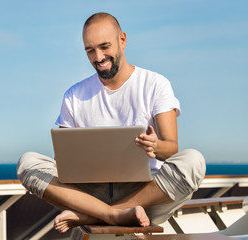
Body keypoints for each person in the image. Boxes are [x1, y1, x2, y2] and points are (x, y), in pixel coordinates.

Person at [17, 12, 206, 233]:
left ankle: (92, 215)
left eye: (104, 46)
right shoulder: (73, 95)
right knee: (27, 163)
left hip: (145, 195)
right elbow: (65, 162)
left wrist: (155, 147)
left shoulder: (156, 84)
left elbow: (172, 148)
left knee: (194, 160)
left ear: (122, 40)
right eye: (90, 50)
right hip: (90, 194)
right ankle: (113, 214)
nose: (98, 57)